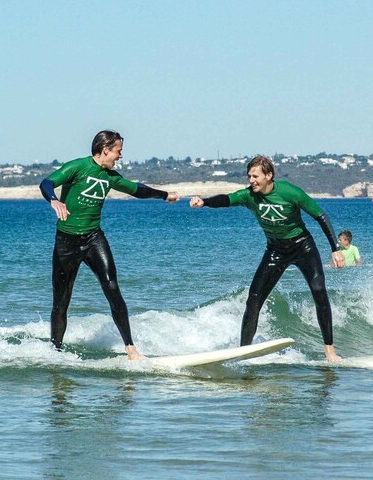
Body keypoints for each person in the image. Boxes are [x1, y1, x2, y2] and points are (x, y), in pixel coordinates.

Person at [189, 156, 346, 362]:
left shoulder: (289, 192)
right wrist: (205, 202)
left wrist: (335, 249)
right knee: (253, 300)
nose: (251, 180)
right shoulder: (249, 196)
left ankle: (330, 352)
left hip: (303, 247)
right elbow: (226, 199)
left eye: (255, 176)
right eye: (249, 176)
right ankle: (243, 353)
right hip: (275, 250)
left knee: (319, 294)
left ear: (268, 175)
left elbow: (320, 216)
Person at [39, 130, 179, 359]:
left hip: (94, 238)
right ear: (105, 150)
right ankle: (56, 351)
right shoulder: (78, 167)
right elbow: (47, 182)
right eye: (118, 151)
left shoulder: (111, 177)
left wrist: (164, 195)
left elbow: (138, 190)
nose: (121, 156)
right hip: (66, 241)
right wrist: (54, 200)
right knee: (61, 301)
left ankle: (131, 349)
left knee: (112, 287)